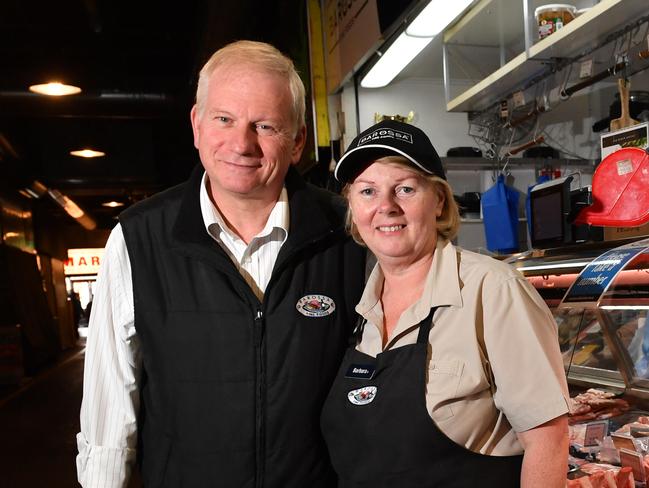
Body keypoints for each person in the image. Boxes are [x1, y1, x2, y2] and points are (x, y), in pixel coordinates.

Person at [76, 40, 366, 488]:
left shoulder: (348, 234)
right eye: (224, 119)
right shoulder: (138, 240)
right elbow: (109, 407)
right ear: (196, 124)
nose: (242, 143)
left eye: (265, 126)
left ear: (297, 142)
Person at [320, 119, 570, 487]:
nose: (385, 207)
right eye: (367, 191)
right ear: (353, 207)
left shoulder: (492, 290)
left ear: (438, 201)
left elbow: (549, 441)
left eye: (404, 189)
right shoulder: (356, 306)